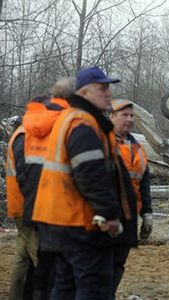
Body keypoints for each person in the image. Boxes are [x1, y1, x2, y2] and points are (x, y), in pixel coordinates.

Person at [31, 66, 138, 300]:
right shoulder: (84, 124)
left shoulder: (71, 119)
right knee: (93, 289)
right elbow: (90, 174)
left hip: (61, 224)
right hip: (81, 227)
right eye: (102, 88)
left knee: (65, 288)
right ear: (85, 93)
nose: (108, 93)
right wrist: (109, 215)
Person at [6, 78, 75, 300]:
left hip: (21, 205)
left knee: (22, 258)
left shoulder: (22, 133)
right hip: (30, 207)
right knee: (41, 260)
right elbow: (30, 176)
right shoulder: (27, 135)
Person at [109, 98, 153, 299]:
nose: (128, 120)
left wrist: (147, 213)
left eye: (131, 115)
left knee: (118, 264)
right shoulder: (100, 144)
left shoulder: (138, 148)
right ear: (111, 117)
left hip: (129, 217)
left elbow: (144, 184)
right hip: (105, 217)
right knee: (100, 265)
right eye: (123, 115)